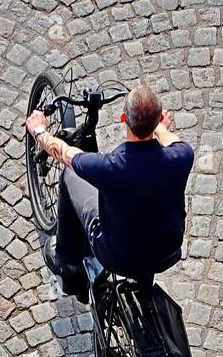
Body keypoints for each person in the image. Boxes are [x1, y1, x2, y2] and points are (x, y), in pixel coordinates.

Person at [24, 83, 193, 302]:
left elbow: (65, 154)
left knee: (69, 175)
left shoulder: (109, 166)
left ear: (124, 119)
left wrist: (39, 131)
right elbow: (170, 138)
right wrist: (159, 126)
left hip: (117, 257)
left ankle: (69, 264)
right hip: (168, 251)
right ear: (159, 118)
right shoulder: (182, 156)